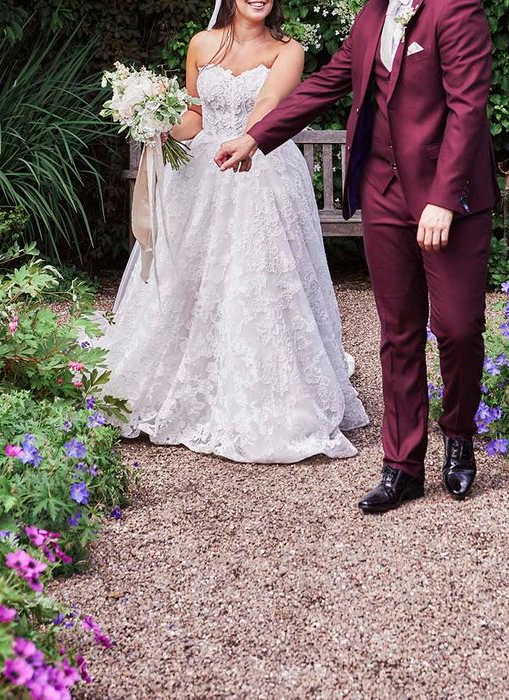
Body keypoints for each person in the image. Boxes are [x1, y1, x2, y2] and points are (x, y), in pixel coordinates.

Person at [216, 0, 499, 511]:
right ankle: (402, 466)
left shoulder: (456, 11)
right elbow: (326, 83)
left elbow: (467, 110)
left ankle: (458, 436)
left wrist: (443, 198)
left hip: (447, 197)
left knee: (457, 327)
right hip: (383, 191)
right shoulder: (372, 15)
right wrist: (257, 137)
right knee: (398, 331)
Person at [99, 0, 368, 463]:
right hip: (201, 179)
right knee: (192, 279)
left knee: (257, 277)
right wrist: (158, 120)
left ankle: (262, 391)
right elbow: (196, 119)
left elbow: (267, 104)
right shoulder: (200, 44)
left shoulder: (289, 51)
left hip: (261, 168)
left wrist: (246, 140)